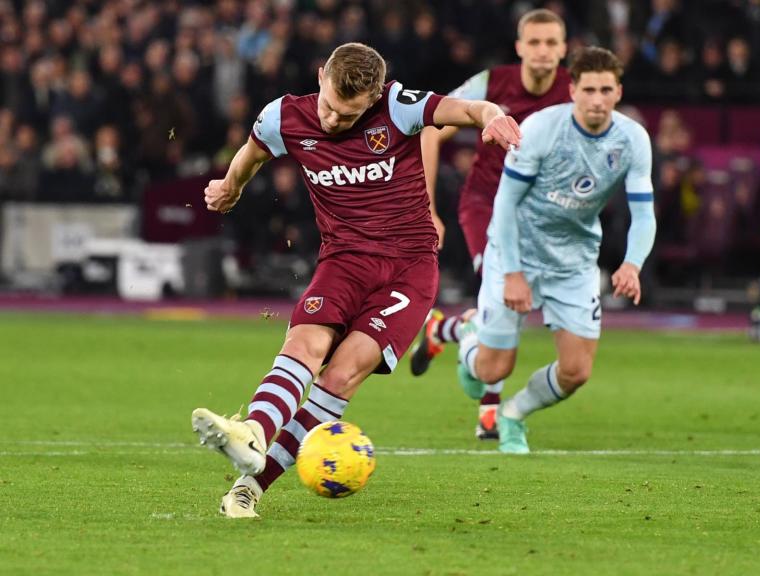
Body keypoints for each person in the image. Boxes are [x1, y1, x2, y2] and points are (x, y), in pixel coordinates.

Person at [190, 42, 520, 517]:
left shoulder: (399, 106)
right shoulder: (283, 117)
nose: (331, 121)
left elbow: (465, 108)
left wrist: (491, 115)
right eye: (327, 105)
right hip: (343, 261)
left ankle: (250, 488)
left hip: (407, 271)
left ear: (373, 98)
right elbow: (251, 154)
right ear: (320, 74)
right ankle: (254, 433)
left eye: (347, 116)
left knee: (340, 375)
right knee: (305, 346)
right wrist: (229, 187)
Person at [457, 46, 656, 454]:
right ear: (573, 91)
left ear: (618, 91)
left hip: (574, 260)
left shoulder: (633, 138)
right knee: (493, 367)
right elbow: (505, 204)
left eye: (605, 89)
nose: (597, 99)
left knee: (577, 370)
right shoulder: (541, 129)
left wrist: (632, 264)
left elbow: (644, 213)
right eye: (589, 90)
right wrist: (512, 271)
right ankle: (466, 334)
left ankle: (513, 414)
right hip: (516, 252)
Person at [409, 8, 571, 441]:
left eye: (551, 43)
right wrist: (428, 208)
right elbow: (428, 131)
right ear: (519, 48)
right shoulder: (490, 84)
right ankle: (490, 410)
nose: (542, 51)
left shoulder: (575, 91)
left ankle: (449, 328)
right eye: (534, 43)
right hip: (486, 204)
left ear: (563, 49)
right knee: (503, 293)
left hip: (539, 214)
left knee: (511, 302)